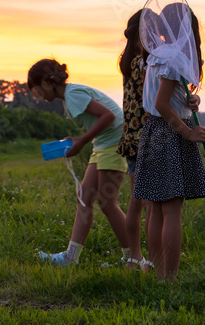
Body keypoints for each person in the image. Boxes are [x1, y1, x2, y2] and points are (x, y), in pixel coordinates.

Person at [131, 6, 205, 281]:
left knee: (156, 206)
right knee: (172, 208)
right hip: (170, 132)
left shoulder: (157, 55)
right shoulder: (175, 57)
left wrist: (192, 100)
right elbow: (162, 104)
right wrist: (187, 133)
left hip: (152, 131)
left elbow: (167, 96)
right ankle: (170, 277)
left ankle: (158, 275)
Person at [28, 58, 131, 267]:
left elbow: (108, 116)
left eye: (37, 90)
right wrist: (76, 140)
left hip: (114, 144)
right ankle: (70, 258)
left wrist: (82, 141)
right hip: (103, 144)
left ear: (47, 83)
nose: (38, 96)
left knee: (107, 203)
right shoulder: (70, 96)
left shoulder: (72, 95)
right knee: (85, 198)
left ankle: (132, 257)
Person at [115, 10, 152, 271]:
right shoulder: (146, 63)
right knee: (152, 204)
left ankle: (133, 258)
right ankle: (153, 259)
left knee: (135, 202)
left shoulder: (128, 61)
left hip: (130, 138)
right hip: (148, 137)